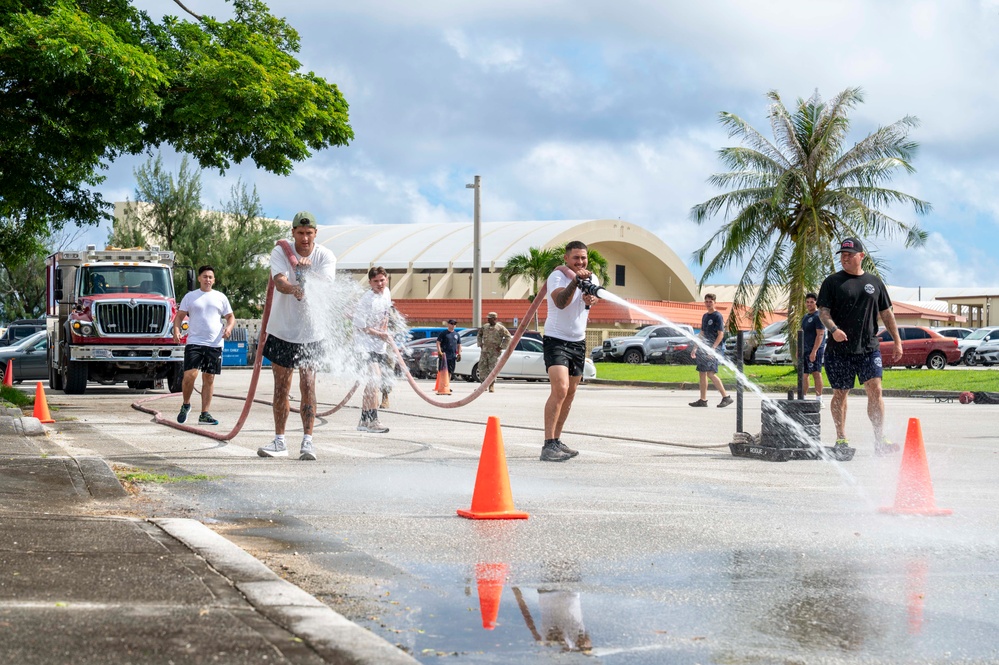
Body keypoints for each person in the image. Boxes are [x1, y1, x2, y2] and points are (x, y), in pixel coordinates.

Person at [257, 211, 337, 461]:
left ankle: (308, 441)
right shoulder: (281, 251)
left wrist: (307, 278)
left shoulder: (325, 256)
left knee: (308, 384)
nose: (304, 238)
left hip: (312, 333)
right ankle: (280, 441)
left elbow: (325, 284)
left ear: (315, 233)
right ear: (293, 233)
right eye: (300, 233)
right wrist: (295, 289)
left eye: (309, 233)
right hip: (283, 329)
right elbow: (280, 283)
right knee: (281, 386)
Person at [817, 237, 903, 455]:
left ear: (861, 256)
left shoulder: (874, 282)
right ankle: (841, 439)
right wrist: (834, 330)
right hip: (840, 350)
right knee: (840, 393)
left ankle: (879, 440)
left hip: (868, 347)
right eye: (842, 255)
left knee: (875, 390)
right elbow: (823, 312)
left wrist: (897, 341)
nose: (845, 258)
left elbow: (886, 313)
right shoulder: (832, 282)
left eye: (849, 254)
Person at [540, 241, 599, 462]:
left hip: (578, 341)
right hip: (556, 339)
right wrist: (576, 281)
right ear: (566, 258)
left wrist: (590, 299)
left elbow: (588, 302)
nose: (580, 262)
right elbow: (562, 302)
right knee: (561, 389)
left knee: (571, 392)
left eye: (583, 258)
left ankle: (556, 440)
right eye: (576, 258)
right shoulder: (558, 276)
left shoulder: (592, 279)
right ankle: (547, 445)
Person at [172, 265, 235, 426]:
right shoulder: (191, 297)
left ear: (214, 280)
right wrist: (176, 331)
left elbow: (230, 317)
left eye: (210, 277)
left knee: (209, 378)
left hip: (214, 344)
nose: (208, 279)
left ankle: (204, 414)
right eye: (205, 276)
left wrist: (228, 328)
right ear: (199, 278)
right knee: (189, 376)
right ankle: (186, 404)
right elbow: (179, 317)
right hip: (195, 342)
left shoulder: (220, 297)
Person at [353, 266, 393, 433]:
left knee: (372, 382)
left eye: (382, 280)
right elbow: (360, 326)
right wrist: (379, 333)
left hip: (378, 346)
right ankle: (373, 420)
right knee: (375, 379)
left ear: (387, 279)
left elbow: (386, 313)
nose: (379, 284)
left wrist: (384, 326)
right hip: (364, 346)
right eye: (375, 281)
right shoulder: (366, 300)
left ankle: (363, 421)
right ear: (370, 282)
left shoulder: (387, 293)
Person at [688, 293, 733, 408]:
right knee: (702, 373)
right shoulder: (705, 316)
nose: (708, 304)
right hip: (704, 349)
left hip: (714, 349)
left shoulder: (717, 316)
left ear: (714, 302)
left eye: (710, 301)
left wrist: (713, 349)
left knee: (710, 373)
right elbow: (702, 333)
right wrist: (695, 347)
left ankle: (726, 397)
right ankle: (703, 400)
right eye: (706, 301)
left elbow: (721, 334)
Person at [476, 311, 512, 392]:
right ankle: (483, 385)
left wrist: (501, 347)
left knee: (492, 369)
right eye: (488, 318)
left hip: (494, 352)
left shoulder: (500, 328)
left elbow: (508, 337)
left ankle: (491, 385)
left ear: (494, 319)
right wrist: (480, 344)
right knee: (482, 367)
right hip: (485, 351)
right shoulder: (485, 327)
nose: (488, 320)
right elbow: (479, 334)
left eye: (490, 318)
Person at [801, 292, 826, 404]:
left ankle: (819, 399)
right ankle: (803, 398)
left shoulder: (818, 316)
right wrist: (799, 349)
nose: (809, 304)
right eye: (807, 302)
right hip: (805, 349)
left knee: (816, 373)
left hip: (815, 349)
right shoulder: (805, 317)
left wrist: (814, 351)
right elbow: (802, 333)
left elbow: (820, 334)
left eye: (812, 302)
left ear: (816, 303)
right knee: (804, 374)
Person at [436, 318, 462, 384]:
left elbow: (459, 345)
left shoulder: (456, 335)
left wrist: (459, 354)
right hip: (444, 355)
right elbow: (438, 342)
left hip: (452, 356)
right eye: (452, 324)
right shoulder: (444, 333)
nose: (453, 325)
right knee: (443, 371)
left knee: (450, 371)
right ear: (448, 324)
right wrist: (439, 351)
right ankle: (442, 384)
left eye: (454, 324)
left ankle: (447, 385)